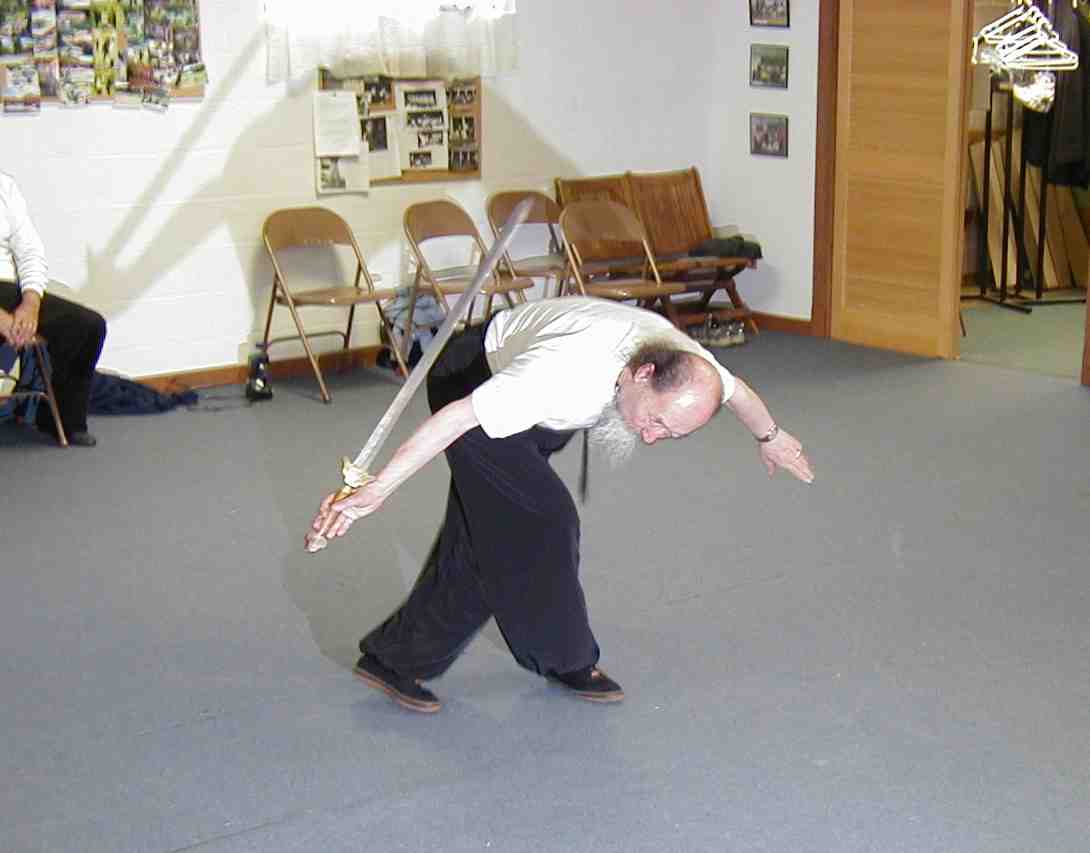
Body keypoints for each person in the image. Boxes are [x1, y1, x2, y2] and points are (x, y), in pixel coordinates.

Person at [309, 296, 814, 713]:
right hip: (473, 381)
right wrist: (375, 491)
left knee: (489, 532)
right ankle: (562, 657)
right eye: (657, 422)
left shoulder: (689, 370)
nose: (655, 438)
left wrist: (770, 436)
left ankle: (396, 659)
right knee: (543, 524)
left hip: (543, 417)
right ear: (642, 374)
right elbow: (459, 419)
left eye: (672, 434)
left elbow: (737, 392)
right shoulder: (563, 374)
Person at [0, 170, 106, 446]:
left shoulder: (5, 187)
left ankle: (60, 421)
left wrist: (31, 303)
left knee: (87, 326)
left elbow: (30, 252)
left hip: (6, 288)